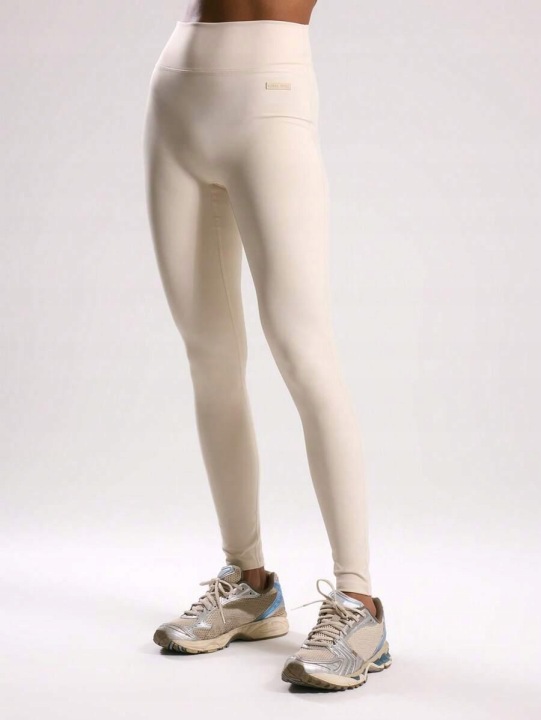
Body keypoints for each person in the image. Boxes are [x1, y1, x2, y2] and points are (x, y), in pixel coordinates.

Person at [142, 0, 392, 690]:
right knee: (208, 355)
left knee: (302, 349)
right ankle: (248, 582)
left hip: (270, 96)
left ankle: (359, 602)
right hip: (176, 93)